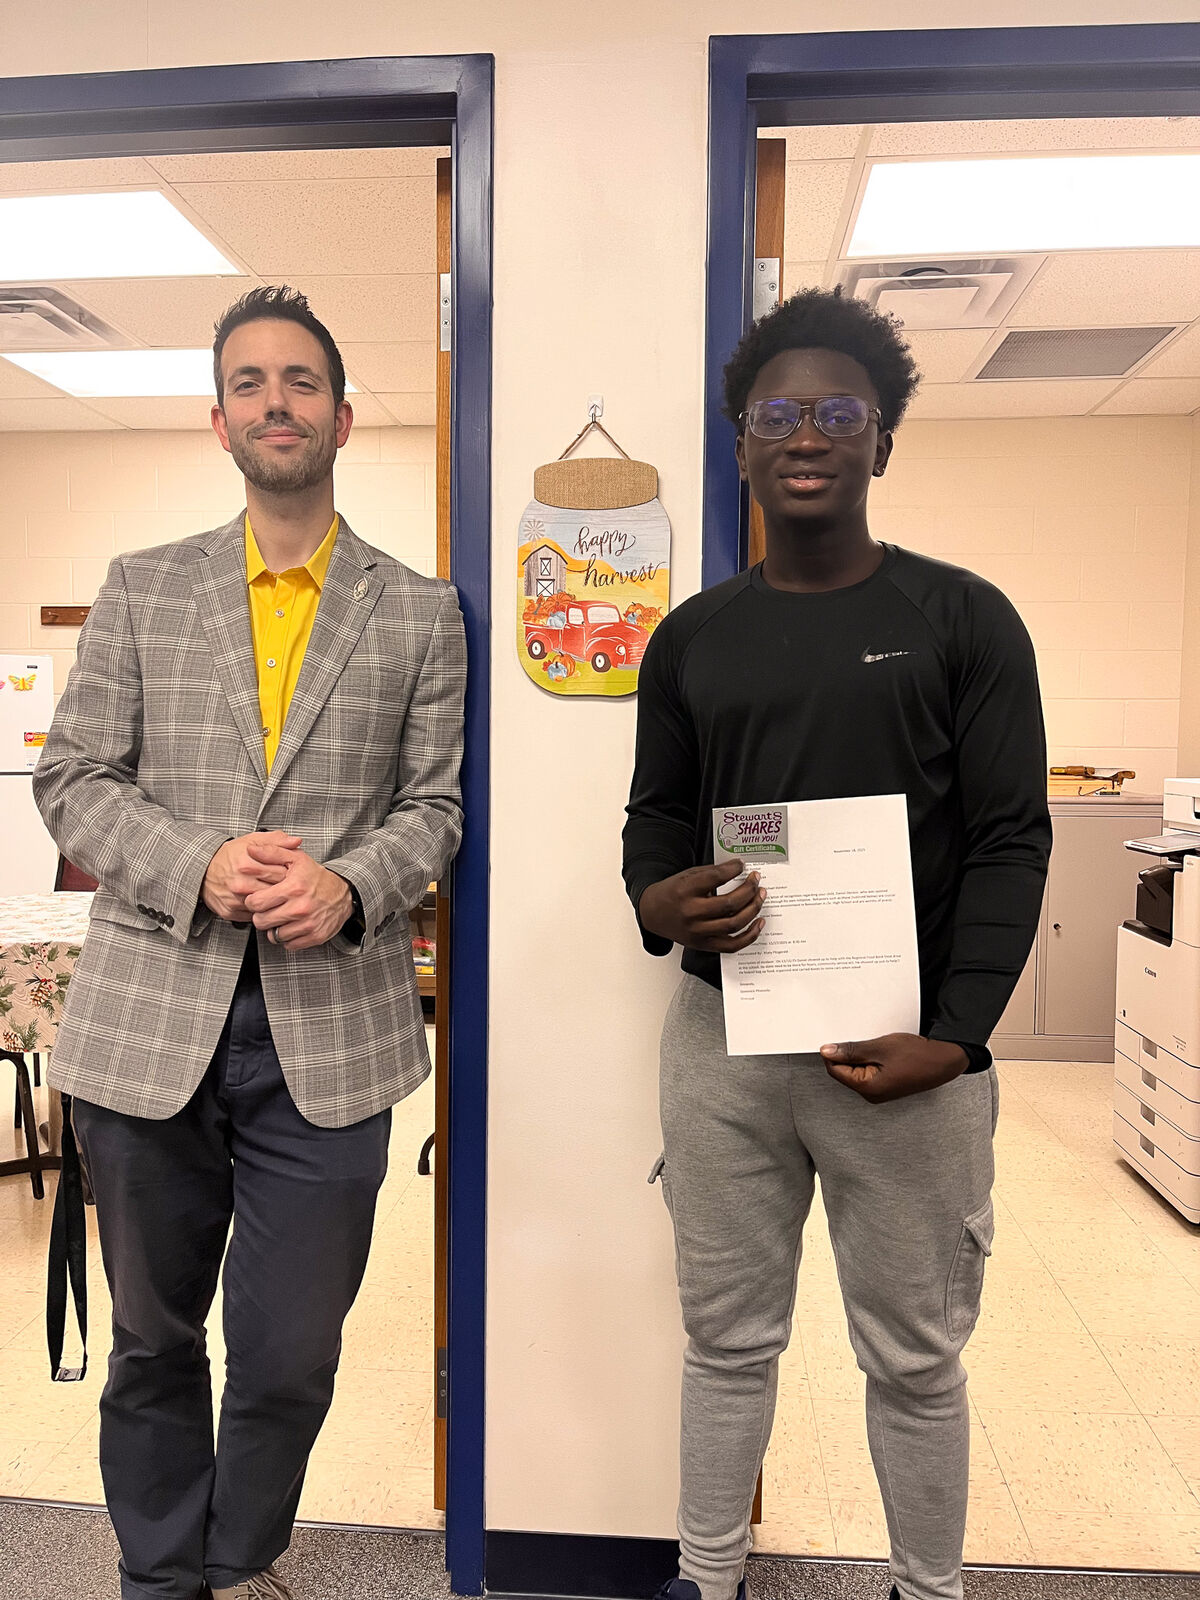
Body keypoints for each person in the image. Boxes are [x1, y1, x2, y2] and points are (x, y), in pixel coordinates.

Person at [35, 285, 466, 1600]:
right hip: (146, 1021)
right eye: (249, 382)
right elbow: (76, 779)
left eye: (301, 382)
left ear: (343, 416)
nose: (276, 401)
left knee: (288, 1352)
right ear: (217, 418)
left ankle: (240, 1556)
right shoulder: (144, 589)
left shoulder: (418, 612)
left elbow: (436, 806)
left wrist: (347, 886)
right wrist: (200, 862)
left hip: (329, 1032)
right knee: (156, 1341)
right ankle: (165, 1577)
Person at [623, 287, 1051, 1600]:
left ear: (883, 441)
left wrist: (959, 1037)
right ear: (742, 445)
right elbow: (655, 821)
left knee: (915, 1359)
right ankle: (707, 1577)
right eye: (777, 413)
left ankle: (927, 1590)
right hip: (727, 1047)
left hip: (906, 1054)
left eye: (839, 411)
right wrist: (661, 901)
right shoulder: (693, 635)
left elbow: (1010, 840)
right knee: (725, 1342)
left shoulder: (965, 621)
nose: (806, 433)